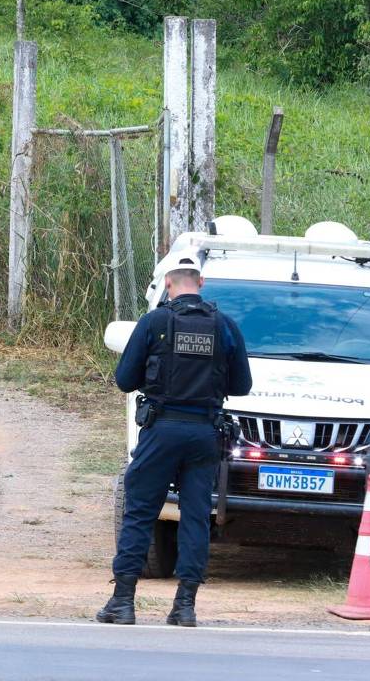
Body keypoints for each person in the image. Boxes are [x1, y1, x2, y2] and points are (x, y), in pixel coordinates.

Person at [97, 252, 252, 627]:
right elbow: (242, 386)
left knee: (140, 513)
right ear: (200, 285)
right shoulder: (225, 326)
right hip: (203, 436)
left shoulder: (154, 322)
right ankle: (184, 606)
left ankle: (123, 602)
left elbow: (124, 380)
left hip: (162, 430)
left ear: (169, 283)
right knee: (196, 516)